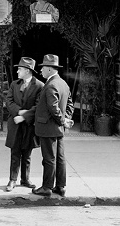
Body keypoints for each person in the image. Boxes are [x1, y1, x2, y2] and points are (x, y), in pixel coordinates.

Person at [32, 54, 74, 197]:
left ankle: (47, 187)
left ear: (49, 69)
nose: (41, 70)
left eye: (43, 68)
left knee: (49, 158)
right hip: (58, 128)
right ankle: (60, 186)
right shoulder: (63, 83)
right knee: (60, 158)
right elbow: (70, 105)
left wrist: (62, 120)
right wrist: (66, 119)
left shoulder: (50, 85)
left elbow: (53, 107)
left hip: (49, 127)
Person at [4, 57, 44, 192]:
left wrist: (25, 117)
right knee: (15, 152)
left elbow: (39, 106)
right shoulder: (14, 84)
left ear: (27, 71)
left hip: (29, 125)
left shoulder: (39, 86)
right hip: (15, 123)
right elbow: (8, 101)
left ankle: (25, 179)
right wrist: (19, 112)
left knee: (27, 153)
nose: (17, 72)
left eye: (19, 69)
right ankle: (12, 179)